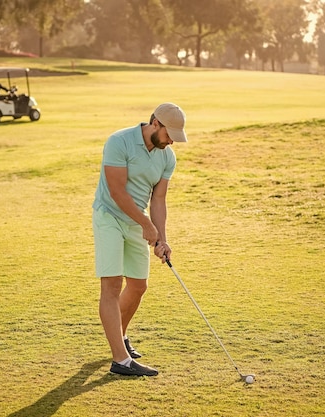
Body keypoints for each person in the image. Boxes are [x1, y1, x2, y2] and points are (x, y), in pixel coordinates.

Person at [92, 102, 188, 377]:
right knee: (112, 285)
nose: (171, 142)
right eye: (169, 135)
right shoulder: (119, 141)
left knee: (138, 285)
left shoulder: (167, 157)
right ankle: (120, 360)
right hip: (109, 216)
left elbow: (158, 199)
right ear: (155, 124)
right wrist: (146, 224)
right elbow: (117, 191)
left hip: (138, 221)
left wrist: (162, 239)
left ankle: (118, 337)